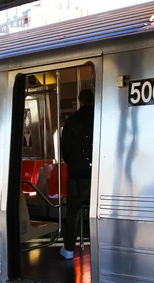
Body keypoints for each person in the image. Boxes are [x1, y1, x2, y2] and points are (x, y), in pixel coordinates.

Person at [60, 89, 94, 260]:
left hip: (75, 176)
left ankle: (68, 250)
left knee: (72, 213)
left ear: (80, 101)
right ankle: (97, 248)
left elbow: (65, 151)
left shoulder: (71, 122)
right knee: (96, 213)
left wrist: (73, 162)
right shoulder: (100, 118)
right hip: (95, 176)